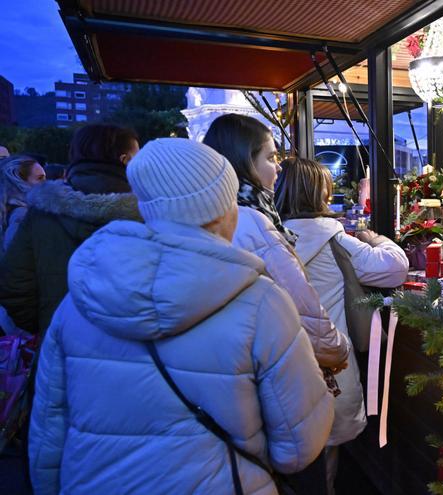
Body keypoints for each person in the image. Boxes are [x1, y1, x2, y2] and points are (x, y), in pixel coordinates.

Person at [28, 138, 333, 495]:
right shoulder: (262, 303)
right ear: (221, 208)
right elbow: (299, 447)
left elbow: (48, 437)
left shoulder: (80, 301)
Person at [276, 157, 409, 493]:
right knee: (325, 465)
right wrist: (377, 239)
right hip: (329, 369)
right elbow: (396, 268)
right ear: (319, 194)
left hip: (280, 368)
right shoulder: (336, 242)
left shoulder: (269, 241)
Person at [203, 114, 350, 373]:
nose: (278, 167)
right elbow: (301, 307)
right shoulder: (251, 221)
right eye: (271, 158)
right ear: (245, 162)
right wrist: (338, 348)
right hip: (272, 365)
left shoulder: (212, 215)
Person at [0, 124, 141, 338]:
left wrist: (50, 327)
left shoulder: (40, 213)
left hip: (58, 351)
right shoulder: (150, 215)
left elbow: (14, 289)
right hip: (134, 352)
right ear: (125, 160)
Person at [1, 155, 46, 250]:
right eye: (40, 178)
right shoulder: (22, 214)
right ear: (19, 182)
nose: (45, 183)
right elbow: (14, 254)